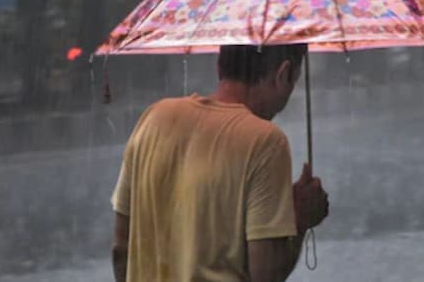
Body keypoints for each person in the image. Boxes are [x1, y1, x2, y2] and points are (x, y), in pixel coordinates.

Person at [110, 44, 329, 282]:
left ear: (219, 66)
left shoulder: (153, 119)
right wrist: (299, 220)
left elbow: (120, 251)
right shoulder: (265, 142)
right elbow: (265, 276)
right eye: (294, 80)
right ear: (283, 73)